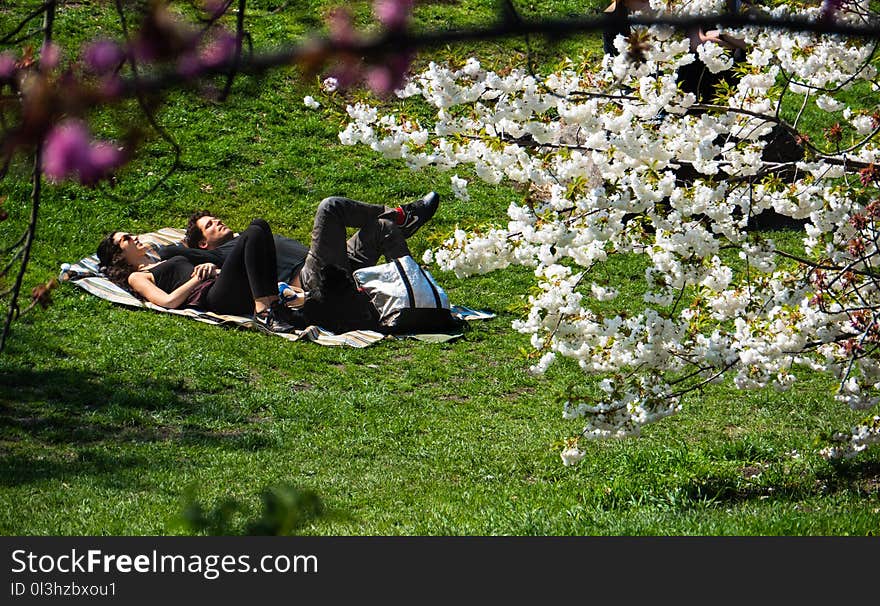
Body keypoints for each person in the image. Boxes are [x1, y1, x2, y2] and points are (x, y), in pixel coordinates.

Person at [158, 192, 440, 289]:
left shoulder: (248, 237)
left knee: (381, 227)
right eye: (209, 226)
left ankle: (415, 291)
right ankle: (404, 217)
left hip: (335, 263)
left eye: (214, 219)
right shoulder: (222, 255)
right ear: (203, 244)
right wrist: (180, 246)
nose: (217, 222)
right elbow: (170, 251)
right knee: (330, 207)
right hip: (312, 279)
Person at [97, 218, 298, 333]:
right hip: (213, 296)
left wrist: (210, 267)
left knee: (261, 227)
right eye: (126, 239)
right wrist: (198, 278)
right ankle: (264, 313)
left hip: (220, 284)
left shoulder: (159, 261)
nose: (134, 237)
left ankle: (273, 308)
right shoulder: (138, 276)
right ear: (118, 255)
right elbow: (168, 302)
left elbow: (201, 271)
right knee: (254, 231)